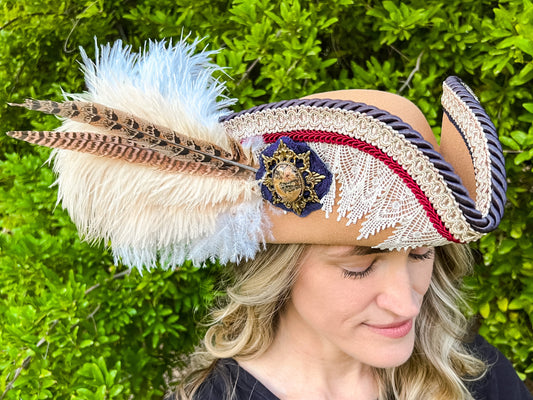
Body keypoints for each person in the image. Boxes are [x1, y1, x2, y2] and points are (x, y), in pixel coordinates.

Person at [7, 39, 532, 400]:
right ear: (279, 268)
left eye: (420, 254)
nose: (406, 300)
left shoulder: (470, 374)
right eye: (358, 266)